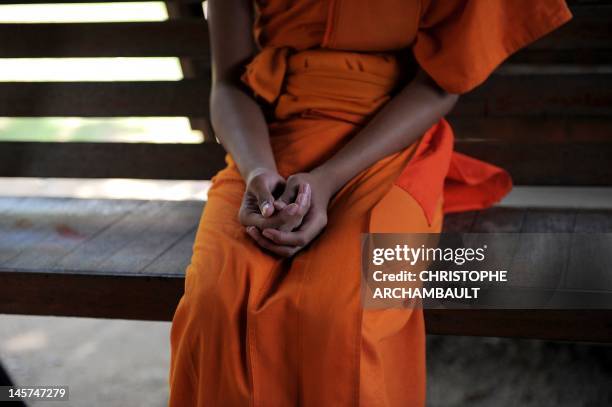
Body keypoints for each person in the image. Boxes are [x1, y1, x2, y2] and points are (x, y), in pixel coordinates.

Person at [168, 0, 572, 405]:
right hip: (267, 145)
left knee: (343, 313)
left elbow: (441, 81)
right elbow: (228, 85)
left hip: (388, 147)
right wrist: (257, 171)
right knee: (215, 303)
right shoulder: (259, 161)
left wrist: (328, 179)